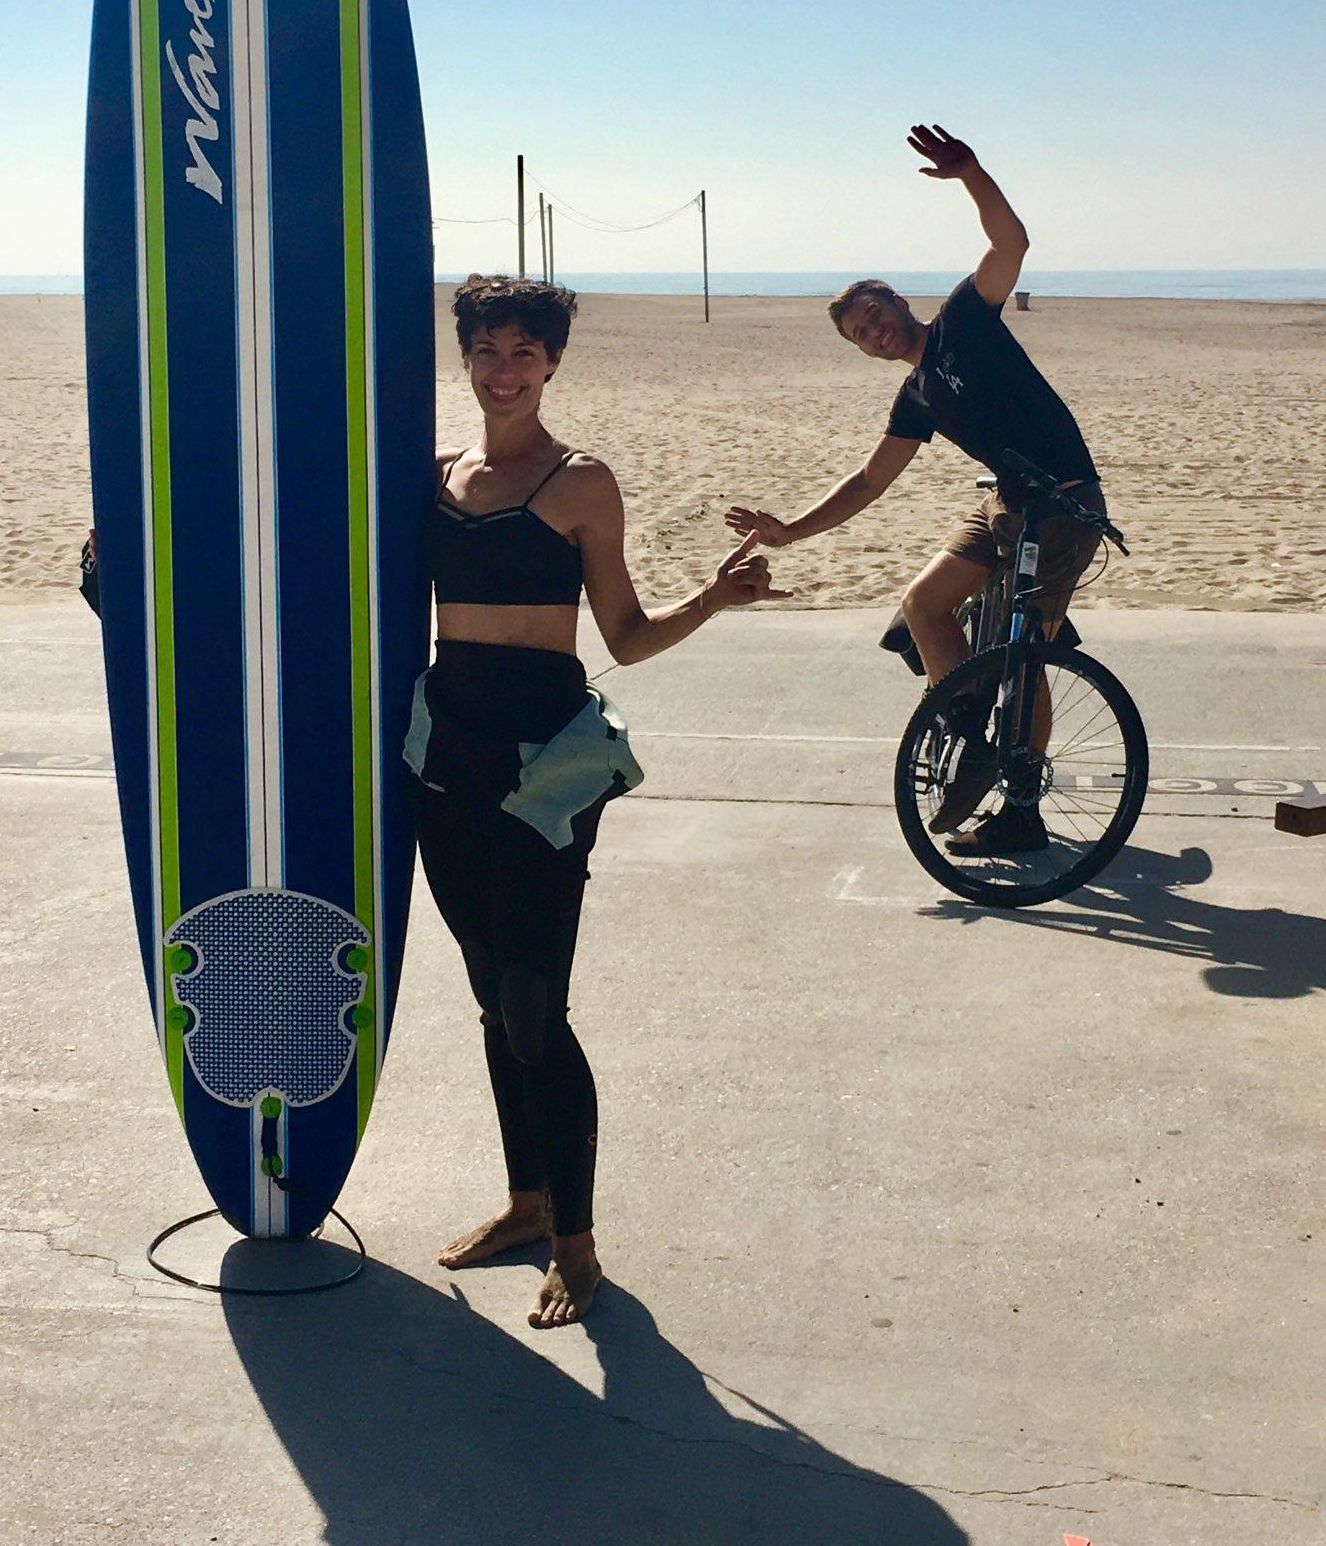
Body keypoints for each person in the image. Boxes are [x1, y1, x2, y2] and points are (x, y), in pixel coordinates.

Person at [409, 273, 785, 1329]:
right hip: (448, 763)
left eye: (526, 352)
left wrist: (713, 597)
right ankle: (526, 1201)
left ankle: (577, 1244)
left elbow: (622, 632)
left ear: (554, 363)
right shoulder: (434, 475)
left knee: (536, 1004)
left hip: (548, 769)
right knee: (492, 998)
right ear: (466, 357)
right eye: (487, 350)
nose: (503, 370)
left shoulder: (581, 482)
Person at [726, 125, 1107, 857]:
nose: (874, 334)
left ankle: (1021, 812)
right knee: (923, 604)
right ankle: (969, 730)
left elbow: (1011, 246)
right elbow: (871, 479)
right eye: (860, 336)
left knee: (1026, 660)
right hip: (1005, 503)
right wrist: (792, 531)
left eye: (874, 317)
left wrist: (972, 174)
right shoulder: (916, 396)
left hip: (1062, 502)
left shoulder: (966, 318)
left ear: (898, 302)